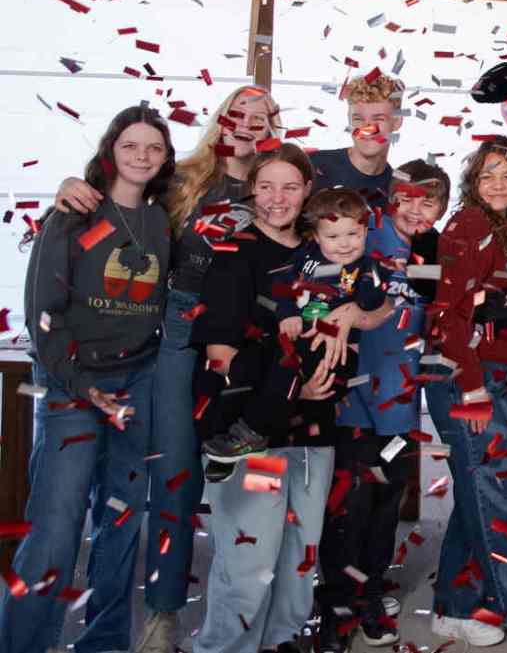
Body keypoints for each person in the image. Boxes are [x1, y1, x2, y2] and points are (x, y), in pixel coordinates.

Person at [53, 85, 281, 653]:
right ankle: (162, 616)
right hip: (180, 338)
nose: (250, 124)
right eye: (240, 113)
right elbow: (115, 196)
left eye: (263, 116)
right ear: (221, 118)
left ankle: (254, 617)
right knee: (176, 482)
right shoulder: (181, 179)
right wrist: (71, 186)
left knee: (252, 484)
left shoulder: (281, 179)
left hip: (253, 339)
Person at [189, 145, 383, 653]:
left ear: (308, 193)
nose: (278, 198)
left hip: (315, 430)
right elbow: (220, 356)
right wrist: (295, 385)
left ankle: (280, 642)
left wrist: (350, 319)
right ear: (252, 188)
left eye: (291, 187)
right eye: (268, 185)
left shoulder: (325, 251)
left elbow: (377, 304)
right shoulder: (236, 252)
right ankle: (224, 648)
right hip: (251, 432)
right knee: (250, 562)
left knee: (300, 557)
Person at [2, 106, 176, 653]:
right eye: (131, 146)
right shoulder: (73, 213)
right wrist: (79, 386)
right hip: (73, 387)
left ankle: (104, 642)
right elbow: (42, 312)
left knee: (122, 523)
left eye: (154, 147)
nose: (142, 156)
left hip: (138, 382)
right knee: (55, 527)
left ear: (166, 157)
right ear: (110, 151)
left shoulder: (163, 219)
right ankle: (23, 642)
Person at [424, 137, 507, 649]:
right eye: (487, 177)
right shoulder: (467, 227)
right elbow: (448, 318)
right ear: (472, 186)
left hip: (500, 377)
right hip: (462, 379)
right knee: (496, 490)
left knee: (477, 492)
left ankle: (453, 607)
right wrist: (474, 389)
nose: (498, 185)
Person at [316, 160, 450, 652]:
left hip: (400, 405)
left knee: (383, 505)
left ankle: (371, 592)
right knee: (346, 504)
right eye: (406, 197)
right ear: (389, 199)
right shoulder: (362, 235)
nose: (415, 209)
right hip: (350, 399)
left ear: (441, 207)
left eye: (428, 200)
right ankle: (335, 604)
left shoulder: (437, 249)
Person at [200, 186, 387, 475]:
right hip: (300, 343)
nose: (345, 244)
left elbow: (373, 301)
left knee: (288, 371)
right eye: (334, 236)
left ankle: (251, 433)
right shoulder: (307, 257)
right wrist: (287, 314)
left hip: (333, 355)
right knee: (260, 363)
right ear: (316, 236)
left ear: (365, 232)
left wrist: (368, 284)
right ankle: (234, 444)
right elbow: (284, 286)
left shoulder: (365, 267)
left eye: (354, 234)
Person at [310, 71, 405, 205]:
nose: (367, 128)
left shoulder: (396, 190)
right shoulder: (313, 166)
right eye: (358, 119)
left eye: (378, 119)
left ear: (397, 122)